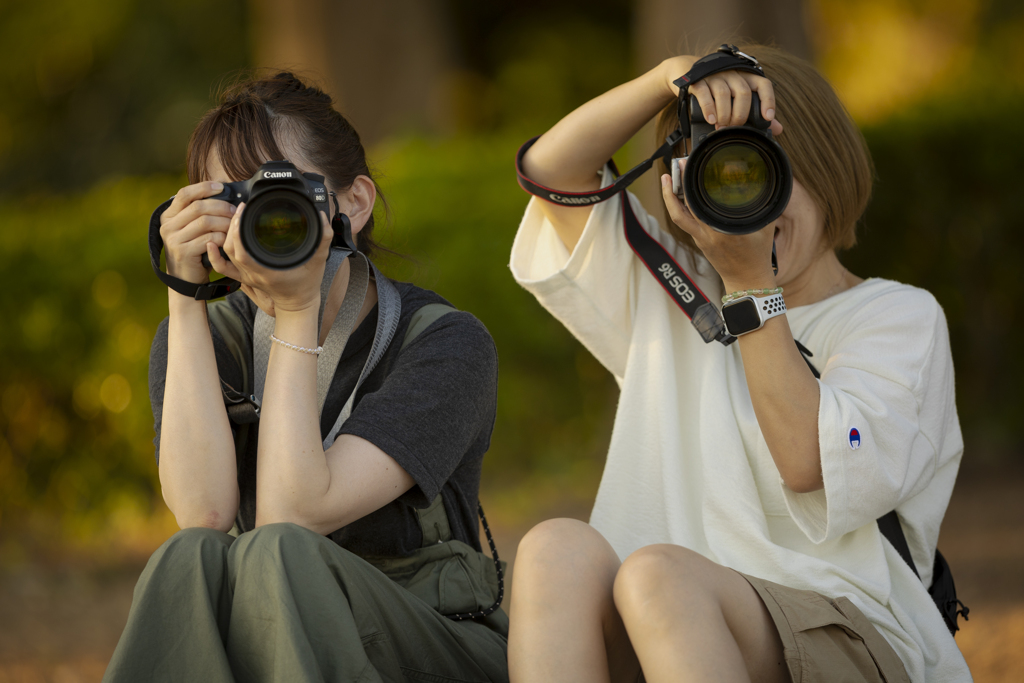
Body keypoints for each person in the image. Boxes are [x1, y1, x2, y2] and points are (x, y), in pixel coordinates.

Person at [506, 45, 970, 683]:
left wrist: (751, 286)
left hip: (847, 631)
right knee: (553, 549)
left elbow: (809, 463)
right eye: (721, 175)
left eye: (761, 168)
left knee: (658, 576)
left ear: (827, 164)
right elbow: (551, 173)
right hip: (663, 619)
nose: (752, 202)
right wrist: (660, 80)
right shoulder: (674, 289)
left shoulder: (895, 318)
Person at [103, 72, 509, 683]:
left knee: (280, 550)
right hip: (271, 646)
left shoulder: (444, 344)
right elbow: (203, 514)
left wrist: (296, 311)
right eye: (232, 201)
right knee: (185, 558)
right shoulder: (206, 341)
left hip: (431, 642)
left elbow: (295, 516)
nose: (261, 220)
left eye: (282, 193)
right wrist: (185, 298)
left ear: (353, 202)